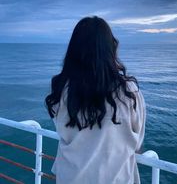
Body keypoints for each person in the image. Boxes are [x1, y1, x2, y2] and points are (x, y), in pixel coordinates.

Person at [45, 16, 146, 184]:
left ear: (74, 50)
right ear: (110, 48)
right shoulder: (128, 92)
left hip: (69, 177)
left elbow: (63, 132)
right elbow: (137, 144)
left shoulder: (61, 89)